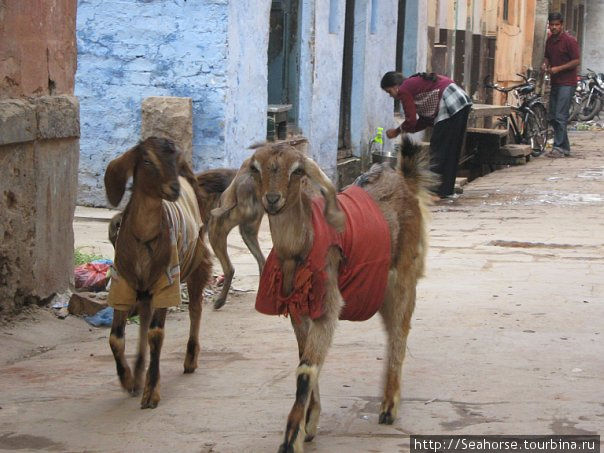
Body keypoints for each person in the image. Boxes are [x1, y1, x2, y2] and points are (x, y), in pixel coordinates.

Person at [381, 71, 472, 199]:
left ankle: (435, 192)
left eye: (389, 92)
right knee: (451, 149)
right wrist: (407, 130)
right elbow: (423, 121)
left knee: (438, 149)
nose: (391, 96)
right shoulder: (414, 88)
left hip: (450, 102)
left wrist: (397, 131)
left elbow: (411, 120)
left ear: (396, 86)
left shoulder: (404, 89)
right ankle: (445, 191)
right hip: (460, 100)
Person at [542, 12, 580, 157]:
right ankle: (565, 147)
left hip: (567, 83)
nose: (554, 27)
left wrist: (558, 68)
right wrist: (545, 65)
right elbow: (547, 56)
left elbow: (576, 61)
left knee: (560, 115)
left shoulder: (569, 41)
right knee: (552, 116)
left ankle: (558, 147)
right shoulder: (550, 41)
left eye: (557, 25)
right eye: (552, 25)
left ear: (562, 25)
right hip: (555, 82)